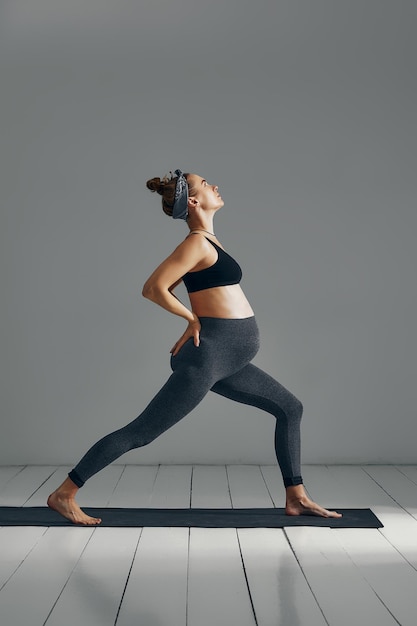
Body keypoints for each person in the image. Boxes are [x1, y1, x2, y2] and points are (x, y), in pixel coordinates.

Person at [48, 170, 342, 524]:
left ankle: (296, 497)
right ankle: (65, 493)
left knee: (290, 409)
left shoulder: (209, 241)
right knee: (141, 432)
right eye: (206, 184)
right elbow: (154, 287)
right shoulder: (196, 244)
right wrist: (191, 319)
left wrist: (194, 317)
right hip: (209, 358)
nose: (215, 186)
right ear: (192, 200)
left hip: (228, 358)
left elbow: (183, 290)